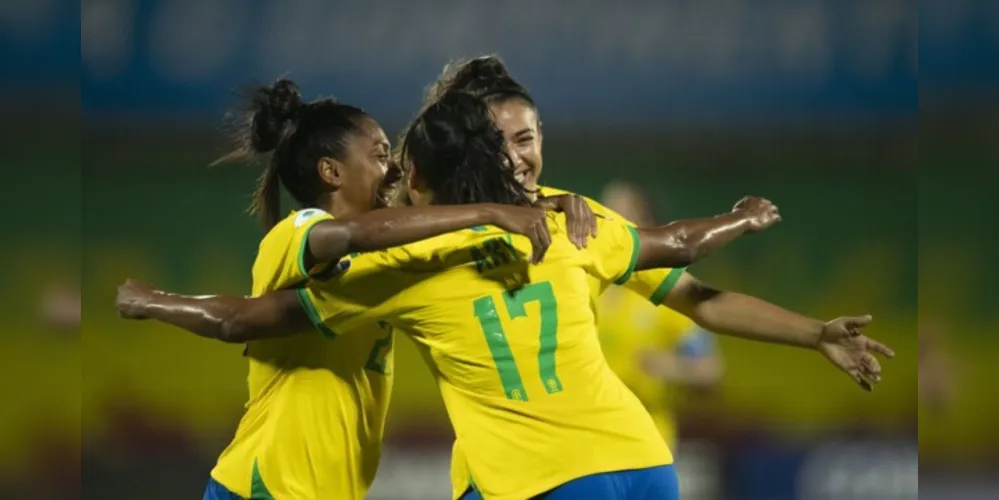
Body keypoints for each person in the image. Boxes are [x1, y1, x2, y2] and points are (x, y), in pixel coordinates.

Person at [119, 91, 892, 500]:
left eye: (531, 136)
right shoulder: (558, 223)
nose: (392, 172)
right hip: (641, 464)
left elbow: (687, 284)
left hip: (533, 480)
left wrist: (153, 301)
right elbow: (682, 254)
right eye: (512, 140)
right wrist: (741, 220)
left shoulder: (420, 261)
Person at [161, 77, 596, 500]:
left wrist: (538, 201)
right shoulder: (300, 231)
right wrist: (493, 211)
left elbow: (427, 214)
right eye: (380, 155)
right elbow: (349, 237)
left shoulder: (384, 250)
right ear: (331, 171)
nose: (392, 172)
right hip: (270, 483)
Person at [596, 181, 723, 450]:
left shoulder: (666, 292)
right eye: (603, 216)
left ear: (643, 224)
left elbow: (710, 371)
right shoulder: (586, 285)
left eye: (618, 217)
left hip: (648, 444)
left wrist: (670, 367)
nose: (608, 228)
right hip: (590, 444)